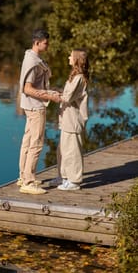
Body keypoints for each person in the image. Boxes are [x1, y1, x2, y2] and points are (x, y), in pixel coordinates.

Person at [17, 29, 61, 195]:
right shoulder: (32, 61)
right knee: (36, 143)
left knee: (27, 141)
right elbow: (27, 88)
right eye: (45, 43)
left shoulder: (33, 57)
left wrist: (53, 90)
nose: (47, 45)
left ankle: (24, 176)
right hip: (35, 106)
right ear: (37, 42)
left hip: (31, 106)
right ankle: (28, 182)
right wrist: (49, 95)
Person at [56, 48, 89, 191]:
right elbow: (67, 94)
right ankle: (64, 177)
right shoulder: (75, 76)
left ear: (76, 59)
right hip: (66, 119)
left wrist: (51, 95)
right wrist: (56, 91)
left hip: (73, 120)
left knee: (72, 151)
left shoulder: (79, 78)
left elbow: (68, 97)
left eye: (71, 55)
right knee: (63, 149)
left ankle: (74, 181)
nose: (68, 57)